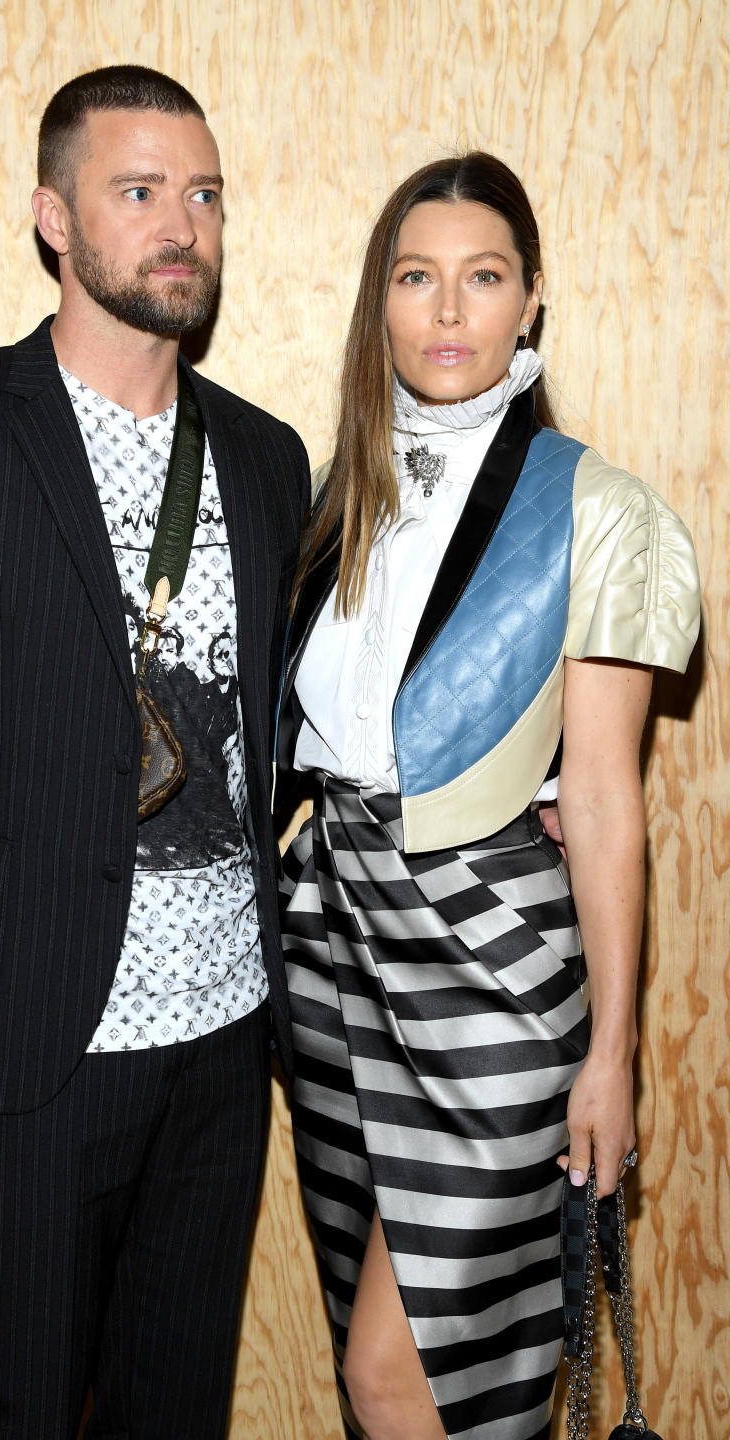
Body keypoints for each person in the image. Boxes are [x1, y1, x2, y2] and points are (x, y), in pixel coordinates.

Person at [0, 65, 309, 1439]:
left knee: (173, 1404)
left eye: (203, 195)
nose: (181, 226)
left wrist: (524, 788)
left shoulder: (266, 460)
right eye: (139, 191)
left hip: (222, 1035)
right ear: (54, 217)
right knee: (20, 1403)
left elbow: (312, 710)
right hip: (26, 1027)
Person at [275, 153, 700, 1440]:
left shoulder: (600, 510)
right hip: (330, 950)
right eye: (417, 278)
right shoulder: (342, 497)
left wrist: (611, 1055)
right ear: (380, 303)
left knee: (401, 1376)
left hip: (494, 962)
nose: (448, 311)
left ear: (531, 306)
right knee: (407, 1373)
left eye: (483, 278)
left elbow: (610, 802)